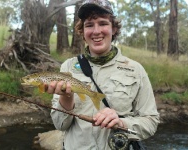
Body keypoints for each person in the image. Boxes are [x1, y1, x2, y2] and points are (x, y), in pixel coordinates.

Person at [47, 0, 159, 149]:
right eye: (89, 25)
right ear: (83, 31)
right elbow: (60, 124)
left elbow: (150, 121)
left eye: (103, 23)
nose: (96, 31)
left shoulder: (135, 70)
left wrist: (121, 123)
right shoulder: (68, 67)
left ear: (113, 29)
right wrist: (67, 96)